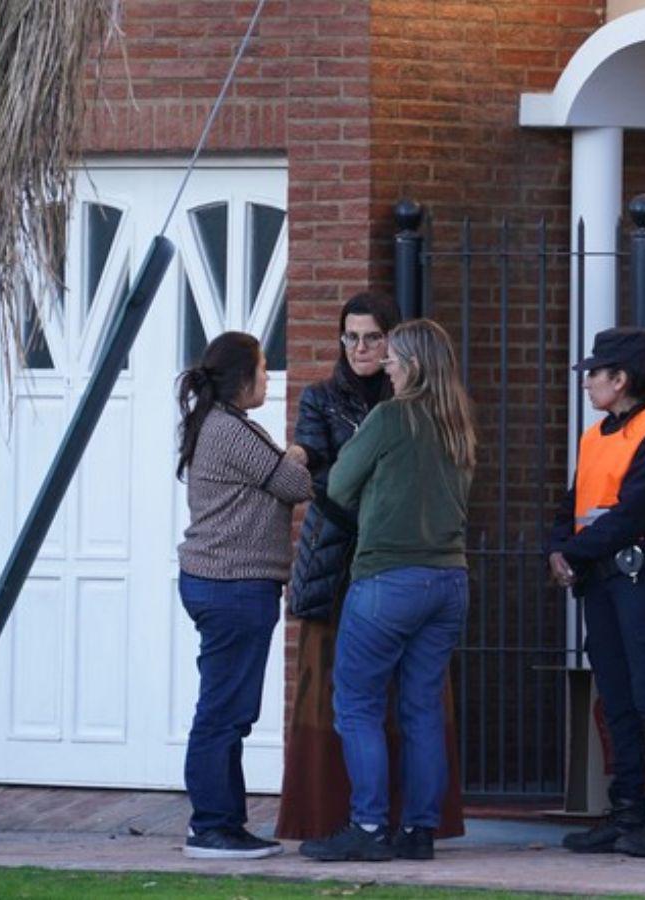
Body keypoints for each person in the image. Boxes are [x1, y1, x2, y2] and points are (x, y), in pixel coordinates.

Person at [276, 293, 466, 842]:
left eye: (380, 343)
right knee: (421, 705)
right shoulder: (455, 417)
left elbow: (334, 484)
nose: (369, 353)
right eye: (352, 338)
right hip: (446, 575)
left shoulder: (390, 413)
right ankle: (420, 830)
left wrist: (372, 489)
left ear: (402, 355)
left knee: (355, 702)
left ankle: (366, 823)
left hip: (383, 571)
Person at [548, 327, 645, 858]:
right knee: (618, 700)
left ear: (621, 378)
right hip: (602, 580)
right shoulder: (598, 434)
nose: (587, 385)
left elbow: (635, 511)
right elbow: (573, 503)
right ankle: (627, 810)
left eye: (594, 376)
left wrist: (573, 552)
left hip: (641, 577)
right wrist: (558, 548)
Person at [175, 331, 312, 860]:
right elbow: (294, 485)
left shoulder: (221, 426)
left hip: (222, 583)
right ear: (241, 378)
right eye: (261, 366)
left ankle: (223, 822)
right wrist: (296, 456)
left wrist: (287, 458)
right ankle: (211, 825)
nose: (267, 375)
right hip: (233, 585)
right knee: (222, 712)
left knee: (226, 708)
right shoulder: (229, 431)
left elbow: (276, 473)